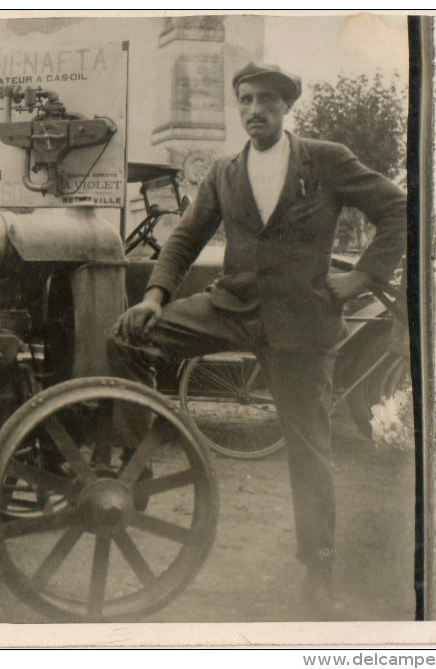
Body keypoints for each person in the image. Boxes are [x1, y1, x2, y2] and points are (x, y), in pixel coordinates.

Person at [112, 62, 407, 618]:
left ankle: (318, 576)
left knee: (311, 455)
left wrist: (364, 277)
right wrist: (154, 296)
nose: (254, 110)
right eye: (245, 99)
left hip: (301, 322)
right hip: (232, 307)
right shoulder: (225, 172)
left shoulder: (326, 159)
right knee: (130, 337)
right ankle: (137, 469)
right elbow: (185, 238)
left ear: (286, 107)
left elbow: (396, 208)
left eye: (266, 100)